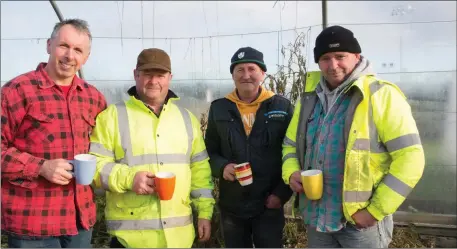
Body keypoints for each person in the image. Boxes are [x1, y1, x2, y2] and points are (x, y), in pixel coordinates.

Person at [282, 25, 425, 248]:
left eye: (340, 56)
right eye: (325, 58)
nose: (333, 65)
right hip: (317, 220)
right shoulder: (309, 99)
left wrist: (375, 211)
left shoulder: (381, 94)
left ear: (356, 56)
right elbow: (290, 145)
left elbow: (411, 158)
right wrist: (290, 172)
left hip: (360, 224)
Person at [88, 48, 215, 248]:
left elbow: (199, 170)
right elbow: (94, 167)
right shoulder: (111, 116)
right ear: (135, 75)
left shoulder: (186, 119)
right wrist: (129, 179)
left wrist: (205, 213)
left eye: (160, 75)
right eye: (147, 74)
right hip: (130, 240)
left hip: (179, 239)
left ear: (170, 78)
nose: (153, 81)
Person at [1, 19, 107, 248]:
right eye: (63, 46)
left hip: (80, 221)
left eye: (78, 50)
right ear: (49, 45)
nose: (70, 55)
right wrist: (40, 167)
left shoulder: (93, 98)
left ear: (86, 57)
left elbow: (105, 148)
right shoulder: (17, 91)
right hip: (33, 224)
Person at [205, 47, 293, 248]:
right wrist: (221, 167)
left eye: (252, 69)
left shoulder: (282, 107)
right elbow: (209, 151)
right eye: (239, 70)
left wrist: (281, 195)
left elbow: (294, 153)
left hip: (269, 203)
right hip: (233, 205)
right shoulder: (219, 107)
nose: (246, 75)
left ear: (262, 73)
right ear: (233, 75)